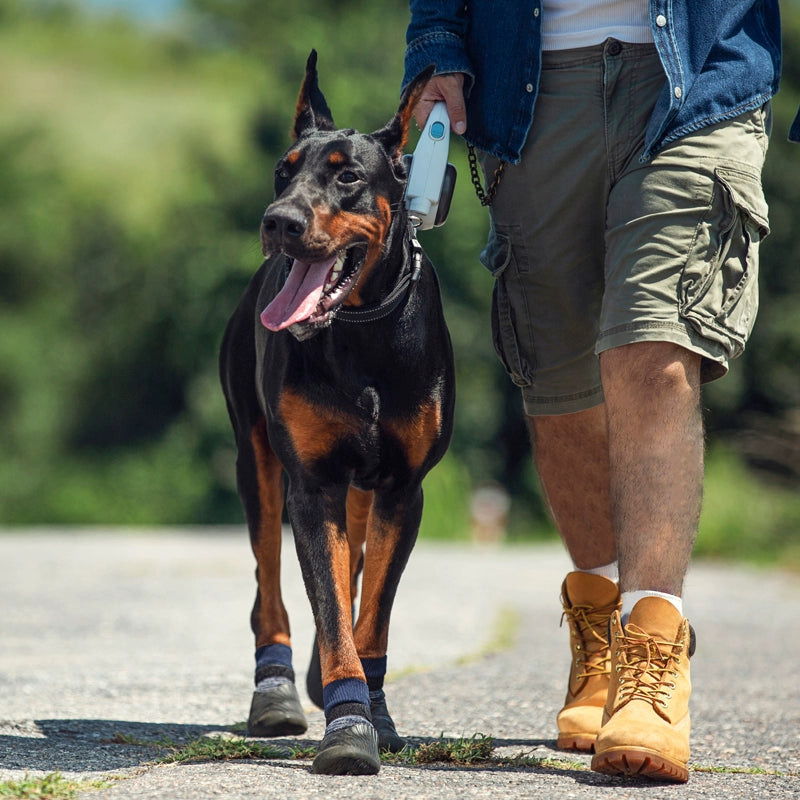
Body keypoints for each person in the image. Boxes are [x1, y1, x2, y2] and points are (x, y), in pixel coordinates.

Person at [403, 1, 785, 783]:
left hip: (696, 80)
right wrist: (438, 49)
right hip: (528, 86)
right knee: (559, 381)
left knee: (652, 347)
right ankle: (600, 628)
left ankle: (654, 649)